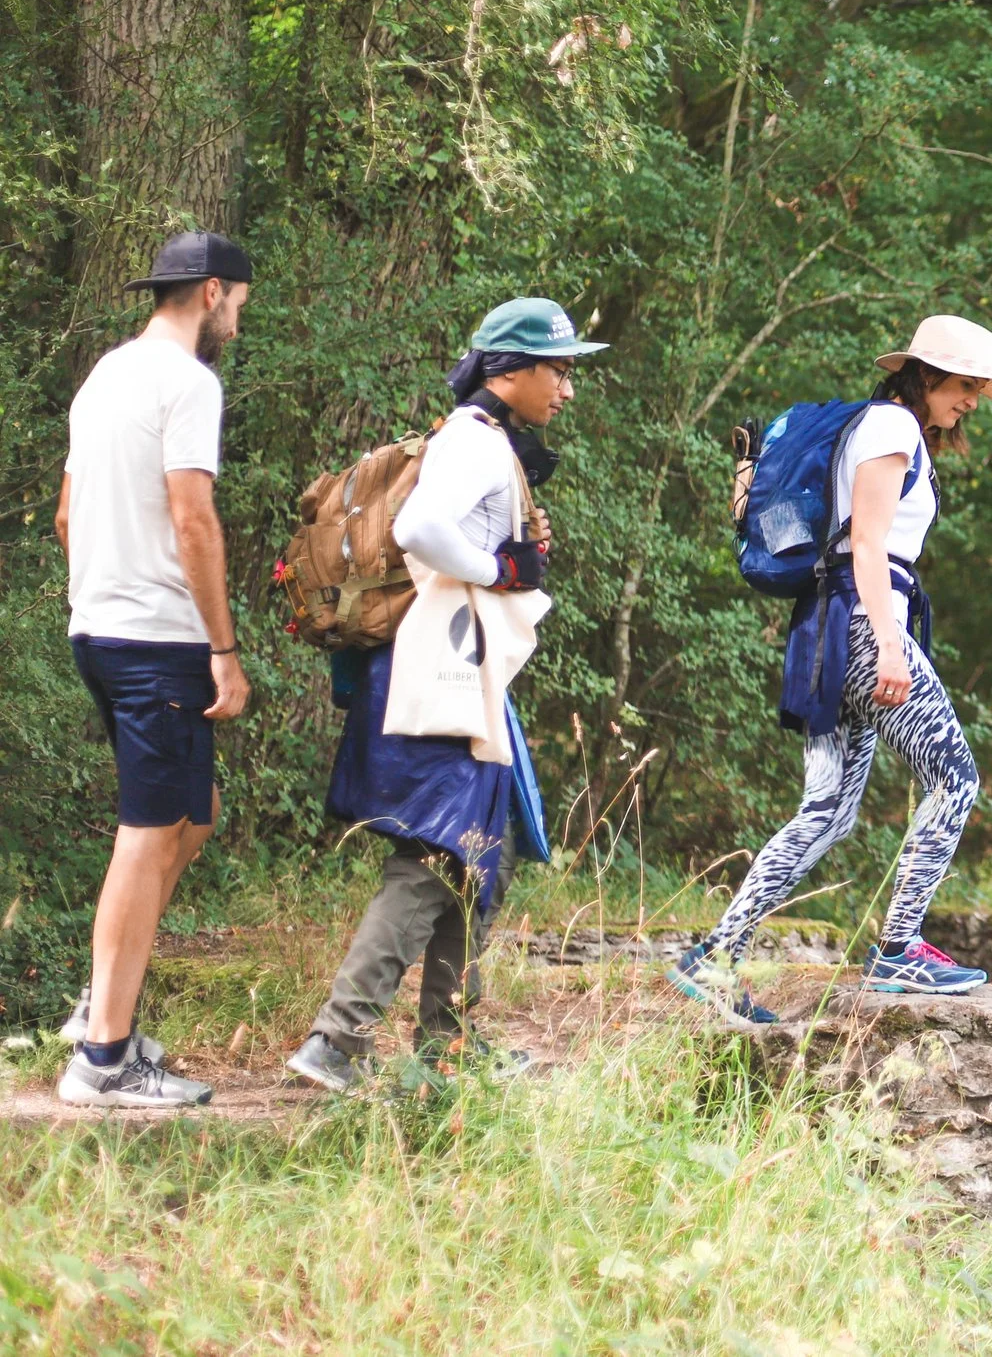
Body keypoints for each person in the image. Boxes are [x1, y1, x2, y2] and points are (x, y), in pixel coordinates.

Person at [285, 298, 603, 1092]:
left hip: (458, 670)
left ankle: (449, 1042)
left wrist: (508, 549)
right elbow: (422, 527)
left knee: (475, 856)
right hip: (442, 672)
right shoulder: (470, 440)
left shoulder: (486, 442)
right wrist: (499, 568)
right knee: (433, 852)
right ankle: (337, 1040)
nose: (567, 388)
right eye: (558, 370)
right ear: (510, 369)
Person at [669, 315, 992, 1017]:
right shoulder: (893, 428)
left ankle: (716, 956)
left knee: (826, 811)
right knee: (955, 780)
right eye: (966, 384)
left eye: (978, 387)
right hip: (862, 621)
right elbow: (867, 541)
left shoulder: (877, 427)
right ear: (926, 374)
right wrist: (889, 642)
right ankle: (898, 949)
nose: (972, 400)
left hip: (828, 630)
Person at [52, 233, 254, 1107]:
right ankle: (103, 1059)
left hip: (98, 629)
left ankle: (107, 993)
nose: (240, 316)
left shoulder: (106, 374)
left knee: (191, 815)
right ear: (212, 291)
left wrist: (107, 589)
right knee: (149, 828)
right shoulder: (189, 382)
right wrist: (223, 648)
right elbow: (193, 516)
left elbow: (66, 514)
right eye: (240, 300)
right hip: (158, 640)